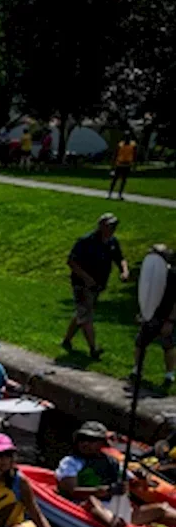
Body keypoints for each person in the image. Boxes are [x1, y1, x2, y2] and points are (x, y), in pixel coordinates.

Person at [56, 421, 177, 527]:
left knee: (162, 508)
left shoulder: (112, 462)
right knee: (93, 501)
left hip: (118, 509)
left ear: (101, 443)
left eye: (91, 440)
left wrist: (142, 479)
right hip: (86, 507)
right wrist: (101, 491)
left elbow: (132, 482)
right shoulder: (71, 462)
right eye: (82, 439)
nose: (85, 443)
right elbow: (71, 491)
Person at [64, 214, 128, 359]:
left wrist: (124, 271)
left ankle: (67, 340)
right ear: (101, 226)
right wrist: (86, 278)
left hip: (98, 285)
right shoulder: (86, 241)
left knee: (82, 313)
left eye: (114, 226)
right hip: (81, 285)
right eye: (110, 226)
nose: (113, 229)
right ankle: (93, 349)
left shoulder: (112, 242)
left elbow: (120, 258)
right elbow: (71, 262)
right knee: (86, 316)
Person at [132, 245, 176, 392]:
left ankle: (169, 374)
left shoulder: (172, 275)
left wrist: (170, 321)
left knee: (168, 345)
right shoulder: (149, 273)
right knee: (140, 342)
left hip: (165, 316)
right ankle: (137, 369)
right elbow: (145, 292)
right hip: (150, 314)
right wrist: (142, 311)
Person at [108, 134, 137, 200]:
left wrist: (134, 165)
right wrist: (112, 165)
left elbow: (135, 155)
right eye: (126, 138)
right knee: (114, 180)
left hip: (127, 165)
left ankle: (119, 194)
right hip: (119, 164)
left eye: (128, 138)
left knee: (123, 180)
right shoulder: (120, 145)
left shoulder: (133, 145)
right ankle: (110, 194)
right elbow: (115, 154)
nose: (127, 139)